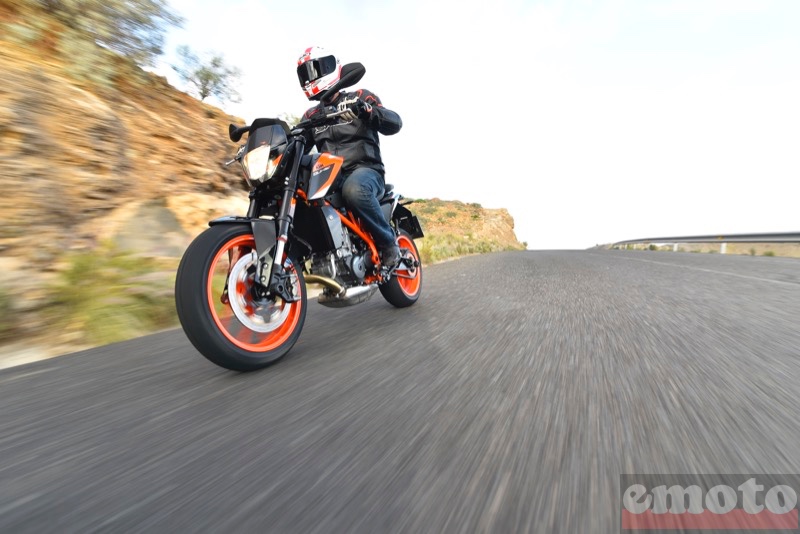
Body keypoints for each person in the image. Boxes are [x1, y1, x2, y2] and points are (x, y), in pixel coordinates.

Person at [296, 46, 403, 267]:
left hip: (366, 170)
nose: (311, 78)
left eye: (315, 70)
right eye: (305, 73)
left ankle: (388, 243)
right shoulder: (311, 116)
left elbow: (395, 122)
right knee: (301, 196)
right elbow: (298, 145)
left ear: (330, 66)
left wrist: (368, 111)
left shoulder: (360, 96)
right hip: (330, 176)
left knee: (353, 189)